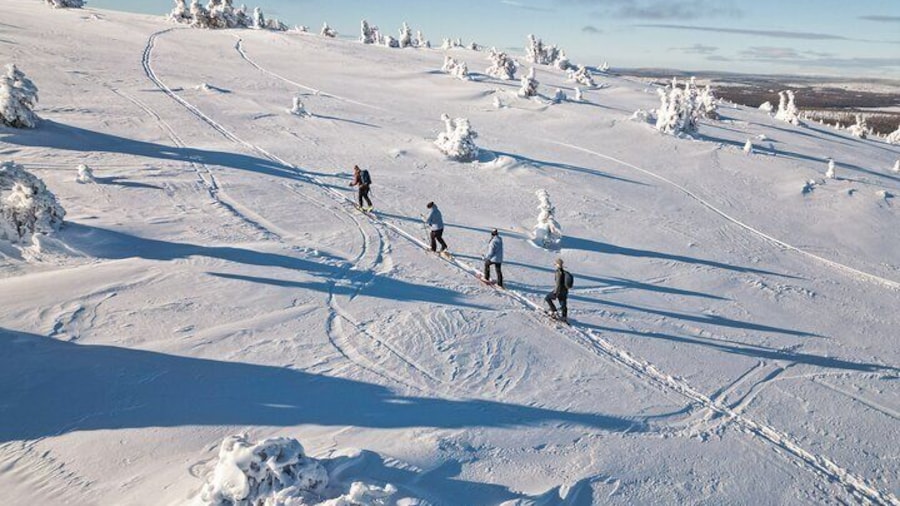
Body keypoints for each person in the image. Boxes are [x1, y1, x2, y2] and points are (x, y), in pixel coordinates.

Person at [545, 258, 569, 323]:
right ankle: (564, 317)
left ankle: (554, 311)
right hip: (565, 291)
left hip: (559, 291)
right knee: (563, 304)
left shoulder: (558, 272)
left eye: (556, 264)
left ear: (558, 265)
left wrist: (555, 293)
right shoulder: (565, 272)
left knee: (547, 298)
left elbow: (558, 283)